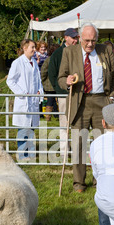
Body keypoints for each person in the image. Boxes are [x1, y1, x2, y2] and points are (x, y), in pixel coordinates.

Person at [58, 23, 114, 193]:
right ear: (79, 38)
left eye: (93, 40)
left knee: (101, 144)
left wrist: (112, 96)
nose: (90, 44)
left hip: (102, 101)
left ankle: (99, 181)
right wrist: (67, 81)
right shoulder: (69, 52)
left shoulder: (105, 50)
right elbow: (60, 78)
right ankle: (79, 183)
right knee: (78, 144)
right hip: (79, 102)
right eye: (86, 40)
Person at [6, 39, 44, 161]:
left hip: (33, 100)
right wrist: (22, 93)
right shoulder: (18, 63)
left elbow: (38, 80)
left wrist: (40, 91)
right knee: (23, 128)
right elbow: (10, 80)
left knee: (31, 129)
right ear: (25, 48)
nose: (34, 50)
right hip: (24, 101)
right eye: (32, 47)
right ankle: (22, 155)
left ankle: (30, 153)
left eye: (34, 47)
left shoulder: (34, 62)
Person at [48, 27, 79, 157]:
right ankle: (64, 151)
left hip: (78, 93)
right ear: (66, 37)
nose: (75, 40)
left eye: (77, 38)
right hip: (64, 94)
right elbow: (52, 74)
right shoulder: (57, 54)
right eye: (73, 38)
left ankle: (78, 150)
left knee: (78, 122)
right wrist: (60, 89)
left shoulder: (79, 51)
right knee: (64, 122)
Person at [40, 43, 59, 121]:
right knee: (53, 101)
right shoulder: (58, 59)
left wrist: (43, 81)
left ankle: (49, 117)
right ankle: (51, 116)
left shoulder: (48, 59)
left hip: (50, 85)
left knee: (51, 101)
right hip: (55, 84)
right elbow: (44, 72)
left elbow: (43, 71)